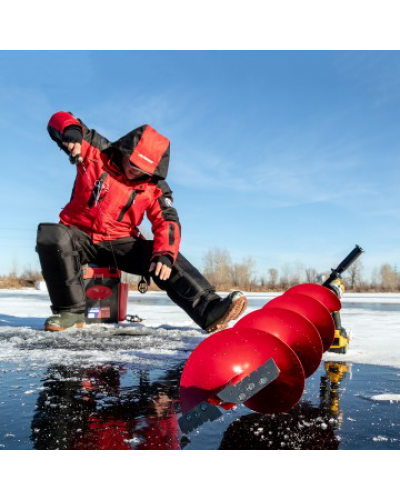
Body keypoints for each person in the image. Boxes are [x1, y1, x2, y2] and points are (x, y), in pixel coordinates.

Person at [36, 111, 247, 333]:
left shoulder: (154, 187)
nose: (133, 171)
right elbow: (61, 118)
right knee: (51, 235)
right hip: (78, 235)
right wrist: (71, 134)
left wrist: (164, 254)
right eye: (132, 163)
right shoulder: (98, 150)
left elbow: (167, 221)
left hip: (120, 241)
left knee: (165, 257)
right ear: (126, 150)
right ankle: (69, 311)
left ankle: (208, 309)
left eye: (141, 170)